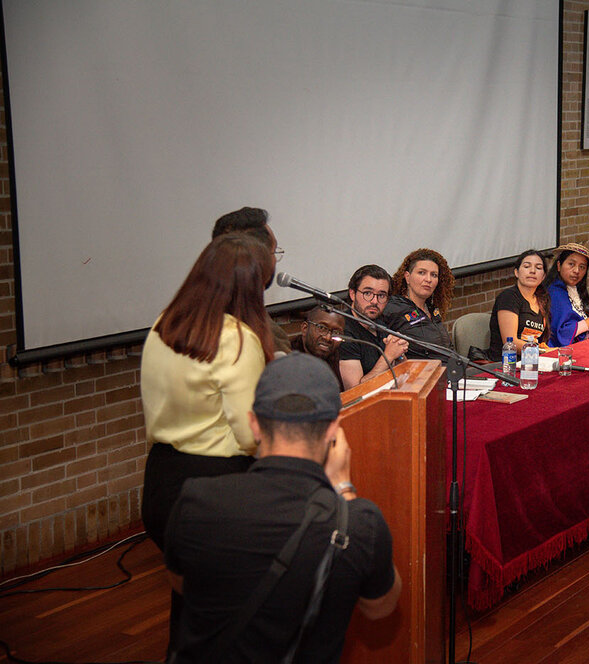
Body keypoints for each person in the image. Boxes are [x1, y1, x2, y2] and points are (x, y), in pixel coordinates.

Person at [164, 353, 401, 663]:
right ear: (333, 430)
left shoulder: (196, 500)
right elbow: (381, 606)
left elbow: (183, 583)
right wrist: (344, 488)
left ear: (254, 424)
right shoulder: (358, 522)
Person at [140, 233, 276, 651]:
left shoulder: (165, 323)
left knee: (191, 606)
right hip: (218, 484)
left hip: (162, 480)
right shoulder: (237, 339)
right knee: (234, 615)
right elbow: (250, 434)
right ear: (250, 287)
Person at [211, 206, 292, 354]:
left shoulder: (172, 323)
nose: (275, 260)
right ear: (261, 259)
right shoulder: (265, 337)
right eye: (274, 252)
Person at [338, 265, 409, 390]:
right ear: (352, 294)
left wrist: (399, 354)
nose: (374, 301)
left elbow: (405, 374)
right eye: (368, 293)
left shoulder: (380, 324)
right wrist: (388, 357)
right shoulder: (344, 332)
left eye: (381, 295)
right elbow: (355, 393)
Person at [382, 248, 455, 361]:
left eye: (434, 275)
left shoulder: (432, 309)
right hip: (423, 374)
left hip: (451, 370)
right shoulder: (394, 308)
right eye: (422, 273)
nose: (428, 279)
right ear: (407, 277)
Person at [486, 249, 551, 361]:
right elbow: (510, 343)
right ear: (516, 272)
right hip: (505, 364)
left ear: (543, 276)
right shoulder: (509, 297)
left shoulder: (542, 300)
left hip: (532, 361)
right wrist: (544, 351)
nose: (532, 271)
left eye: (538, 268)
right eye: (527, 266)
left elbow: (540, 340)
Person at [543, 242, 589, 347]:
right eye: (571, 264)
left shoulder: (579, 291)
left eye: (582, 267)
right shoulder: (554, 293)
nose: (576, 271)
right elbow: (559, 333)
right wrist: (586, 324)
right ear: (559, 265)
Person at [291, 305, 345, 389]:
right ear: (305, 328)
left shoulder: (337, 356)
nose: (328, 338)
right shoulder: (288, 359)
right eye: (322, 328)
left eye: (336, 333)